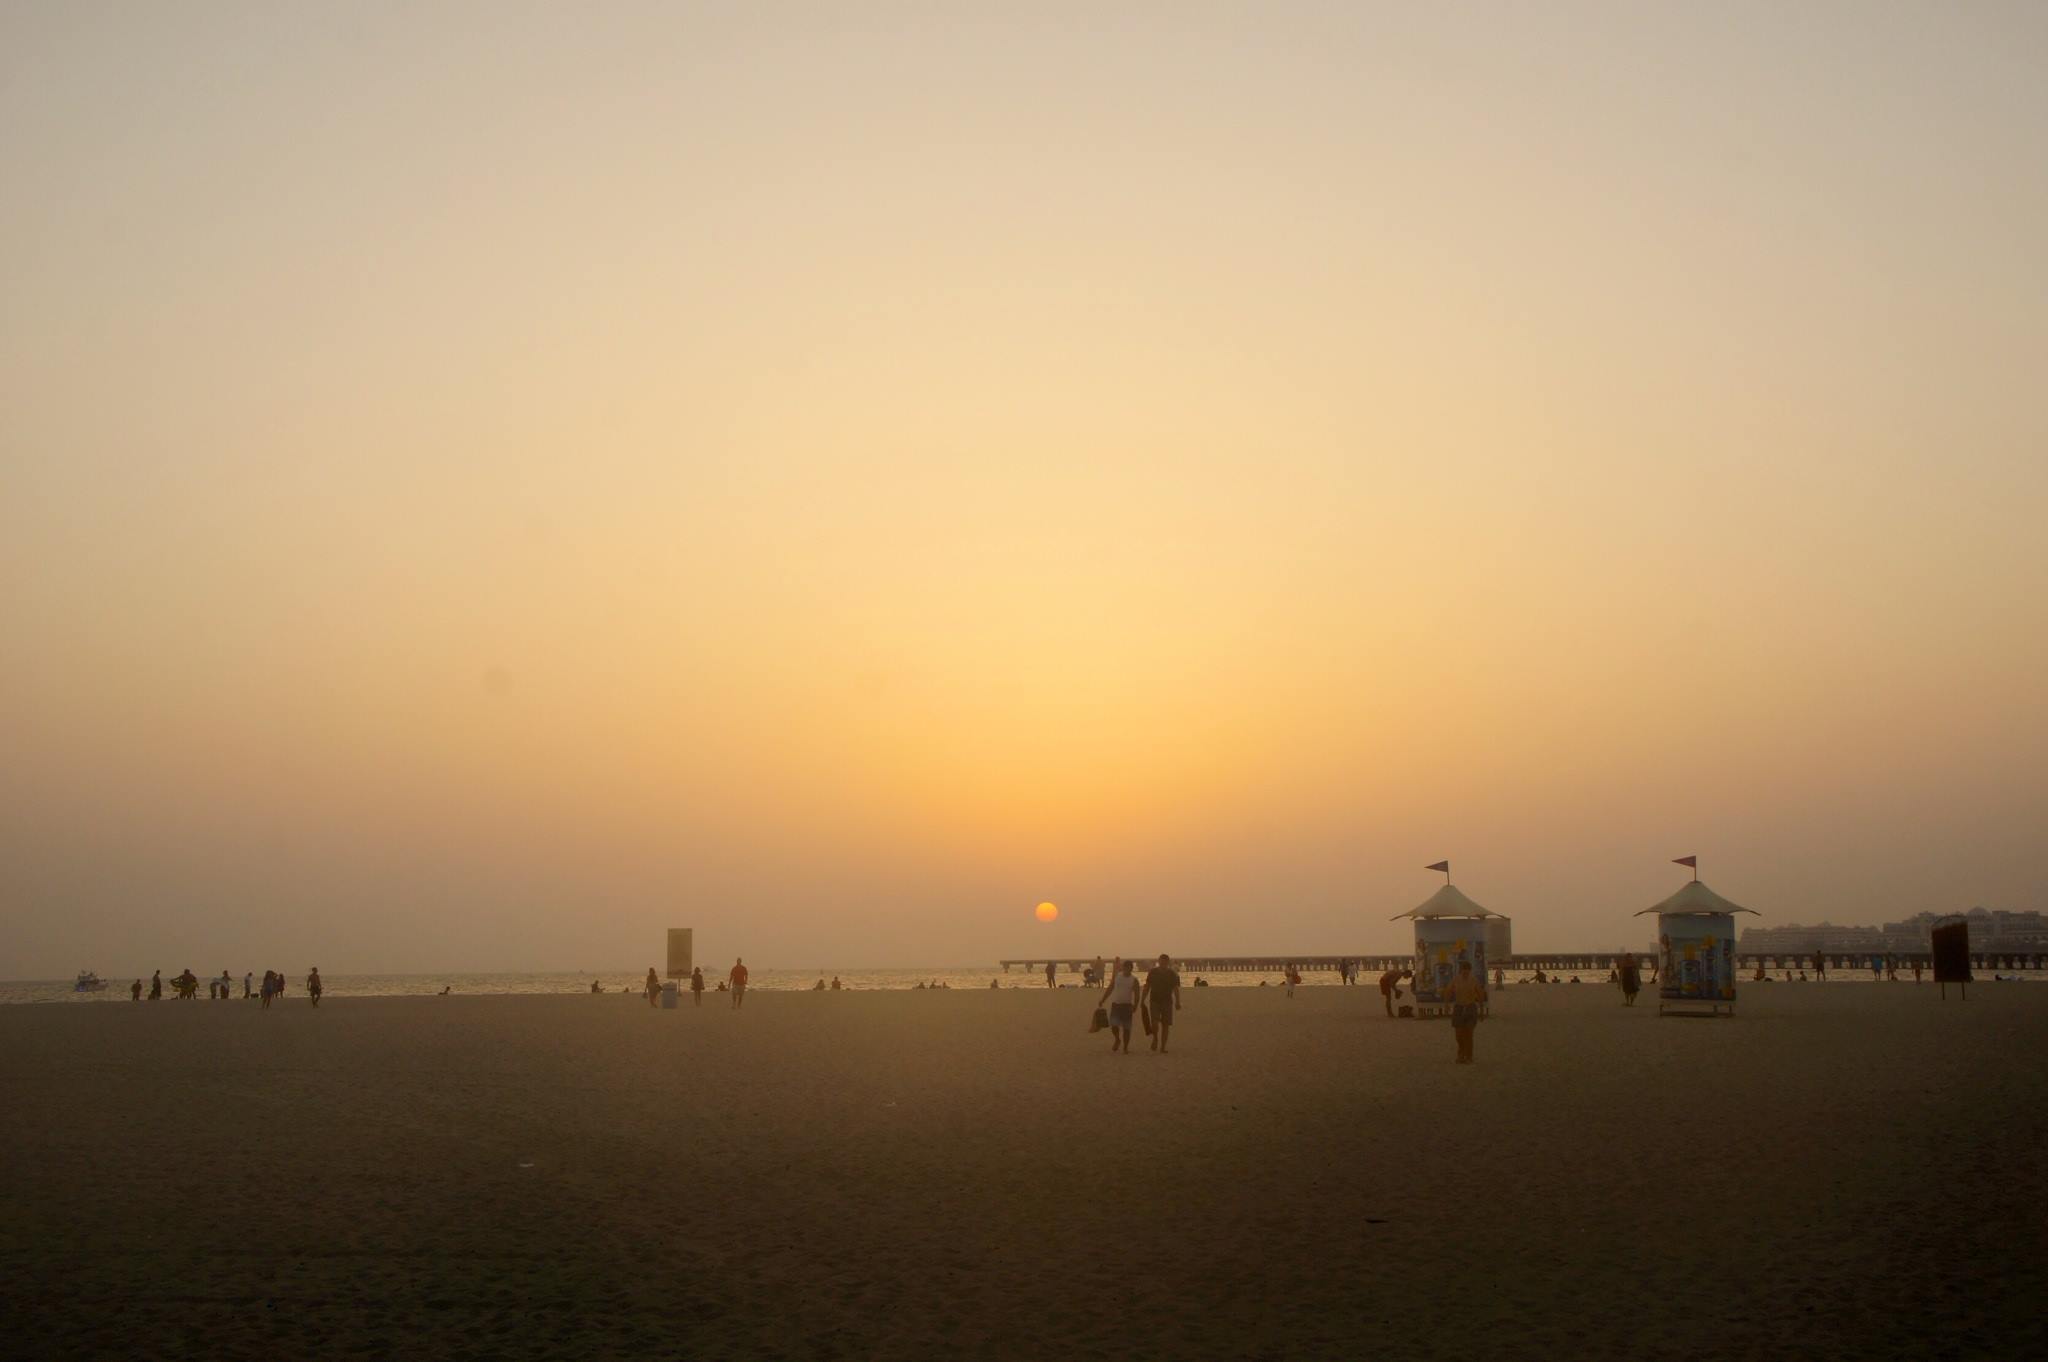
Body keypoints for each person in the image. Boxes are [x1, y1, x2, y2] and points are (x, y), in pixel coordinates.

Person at [1446, 959, 1487, 1064]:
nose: (1465, 972)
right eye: (1464, 970)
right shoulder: (1456, 979)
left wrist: (1481, 1011)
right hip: (1458, 1008)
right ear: (1461, 970)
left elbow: (1480, 994)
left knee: (1468, 1034)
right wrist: (1446, 1004)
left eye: (1467, 970)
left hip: (1470, 1008)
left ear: (1470, 970)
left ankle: (1469, 1056)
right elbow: (1449, 991)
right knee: (1459, 1035)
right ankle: (1461, 1053)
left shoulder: (1473, 980)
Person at [1142, 954, 1181, 1054]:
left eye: (1165, 961)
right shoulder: (1153, 972)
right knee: (1154, 1023)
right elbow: (1147, 986)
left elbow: (1175, 988)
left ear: (1168, 962)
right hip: (1154, 1000)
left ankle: (1163, 1047)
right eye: (1161, 961)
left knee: (1165, 1025)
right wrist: (1142, 999)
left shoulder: (1171, 973)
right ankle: (1155, 1038)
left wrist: (1177, 1001)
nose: (1163, 963)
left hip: (1167, 1001)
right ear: (1158, 961)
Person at [1100, 959, 1140, 1054]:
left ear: (1131, 969)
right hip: (1116, 1005)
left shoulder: (1134, 980)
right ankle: (1117, 1039)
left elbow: (1137, 994)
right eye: (1125, 967)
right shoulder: (1117, 976)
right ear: (1123, 968)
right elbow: (1110, 988)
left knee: (1126, 1028)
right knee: (1114, 1025)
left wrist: (1136, 1005)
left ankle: (1125, 1048)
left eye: (1129, 968)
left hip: (1127, 1006)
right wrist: (1103, 999)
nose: (1126, 969)